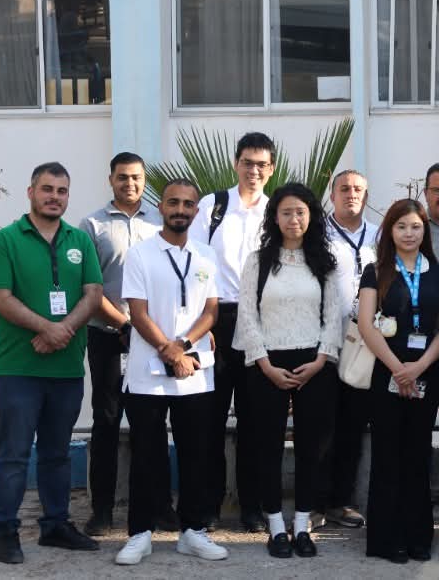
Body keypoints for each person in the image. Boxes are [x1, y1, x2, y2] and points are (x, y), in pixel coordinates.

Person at [0, 162, 104, 564]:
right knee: (14, 454)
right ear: (31, 192)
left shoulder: (79, 240)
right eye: (47, 189)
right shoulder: (6, 240)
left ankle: (55, 525)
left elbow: (93, 292)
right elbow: (0, 297)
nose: (54, 196)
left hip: (66, 369)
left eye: (62, 190)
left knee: (57, 453)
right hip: (18, 369)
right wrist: (46, 328)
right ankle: (4, 532)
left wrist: (62, 330)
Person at [114, 179, 227, 565]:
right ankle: (140, 533)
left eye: (188, 204)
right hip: (147, 374)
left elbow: (211, 311)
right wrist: (169, 350)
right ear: (161, 207)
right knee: (147, 454)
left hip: (194, 371)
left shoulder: (206, 254)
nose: (181, 209)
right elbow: (137, 312)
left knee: (197, 453)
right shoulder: (140, 254)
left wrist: (184, 346)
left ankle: (192, 531)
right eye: (174, 202)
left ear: (196, 211)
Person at [235, 181, 343, 559]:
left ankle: (301, 524)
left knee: (311, 448)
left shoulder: (324, 262)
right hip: (267, 364)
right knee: (267, 446)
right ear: (275, 217)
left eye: (300, 212)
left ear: (311, 216)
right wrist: (264, 364)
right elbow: (247, 314)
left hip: (314, 364)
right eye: (286, 212)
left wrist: (321, 360)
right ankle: (276, 525)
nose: (294, 219)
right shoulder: (258, 261)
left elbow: (333, 316)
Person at [189, 132, 276, 532]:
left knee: (255, 422)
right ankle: (208, 506)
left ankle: (251, 508)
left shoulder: (276, 212)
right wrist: (198, 326)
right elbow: (193, 265)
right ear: (235, 164)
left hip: (262, 321)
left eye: (261, 164)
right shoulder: (212, 207)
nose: (253, 170)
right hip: (216, 319)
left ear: (271, 169)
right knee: (209, 418)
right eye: (247, 162)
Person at [80, 150, 165, 536]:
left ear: (144, 180)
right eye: (122, 177)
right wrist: (124, 324)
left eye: (136, 177)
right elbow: (90, 287)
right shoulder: (92, 225)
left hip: (152, 341)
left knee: (153, 422)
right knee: (107, 421)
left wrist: (147, 331)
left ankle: (160, 507)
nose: (130, 183)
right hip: (107, 337)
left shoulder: (159, 222)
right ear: (110, 180)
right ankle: (102, 510)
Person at [357, 199, 439, 563]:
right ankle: (387, 538)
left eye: (415, 227)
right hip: (386, 372)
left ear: (425, 231)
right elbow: (366, 325)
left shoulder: (438, 273)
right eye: (401, 227)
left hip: (427, 374)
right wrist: (399, 369)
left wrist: (419, 367)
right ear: (390, 231)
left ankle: (418, 536)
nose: (409, 234)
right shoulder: (376, 271)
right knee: (387, 454)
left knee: (417, 454)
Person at [322, 167, 380, 529]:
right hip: (327, 342)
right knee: (322, 426)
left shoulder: (380, 235)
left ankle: (341, 501)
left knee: (352, 425)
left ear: (366, 196)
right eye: (344, 188)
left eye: (358, 189)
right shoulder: (317, 234)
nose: (352, 194)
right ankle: (313, 503)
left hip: (366, 346)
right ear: (333, 195)